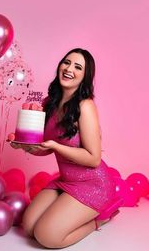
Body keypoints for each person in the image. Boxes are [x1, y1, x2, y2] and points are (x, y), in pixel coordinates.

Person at [9, 48, 122, 249]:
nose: (69, 69)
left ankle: (100, 219)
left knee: (47, 237)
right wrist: (24, 146)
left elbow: (93, 158)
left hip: (93, 185)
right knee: (28, 227)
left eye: (78, 67)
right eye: (66, 62)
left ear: (84, 77)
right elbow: (45, 147)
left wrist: (56, 146)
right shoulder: (49, 103)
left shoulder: (85, 106)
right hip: (66, 182)